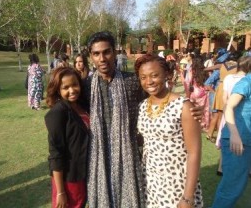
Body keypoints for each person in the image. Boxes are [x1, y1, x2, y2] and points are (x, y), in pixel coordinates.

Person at [85, 31, 203, 208]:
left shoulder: (131, 81)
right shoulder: (87, 86)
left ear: (115, 52)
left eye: (106, 52)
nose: (102, 58)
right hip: (100, 160)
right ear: (91, 57)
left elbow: (160, 98)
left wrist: (189, 108)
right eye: (96, 54)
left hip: (131, 160)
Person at [135, 54, 203, 208]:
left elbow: (195, 152)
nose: (149, 82)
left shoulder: (183, 106)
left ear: (167, 74)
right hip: (151, 182)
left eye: (154, 75)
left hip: (176, 182)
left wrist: (188, 196)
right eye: (143, 77)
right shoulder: (143, 106)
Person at [44, 67, 90, 208]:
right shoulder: (57, 113)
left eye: (74, 85)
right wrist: (60, 192)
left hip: (83, 173)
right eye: (66, 87)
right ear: (58, 90)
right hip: (69, 179)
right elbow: (55, 153)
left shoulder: (82, 105)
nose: (72, 90)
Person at [211, 55, 251, 208]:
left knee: (236, 185)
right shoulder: (246, 82)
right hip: (238, 140)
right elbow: (229, 107)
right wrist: (234, 135)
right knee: (232, 188)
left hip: (245, 139)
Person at [189, 57, 210, 131]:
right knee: (205, 109)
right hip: (203, 91)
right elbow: (208, 82)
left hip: (194, 91)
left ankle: (195, 123)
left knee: (195, 109)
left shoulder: (192, 71)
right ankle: (204, 125)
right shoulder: (205, 71)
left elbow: (189, 81)